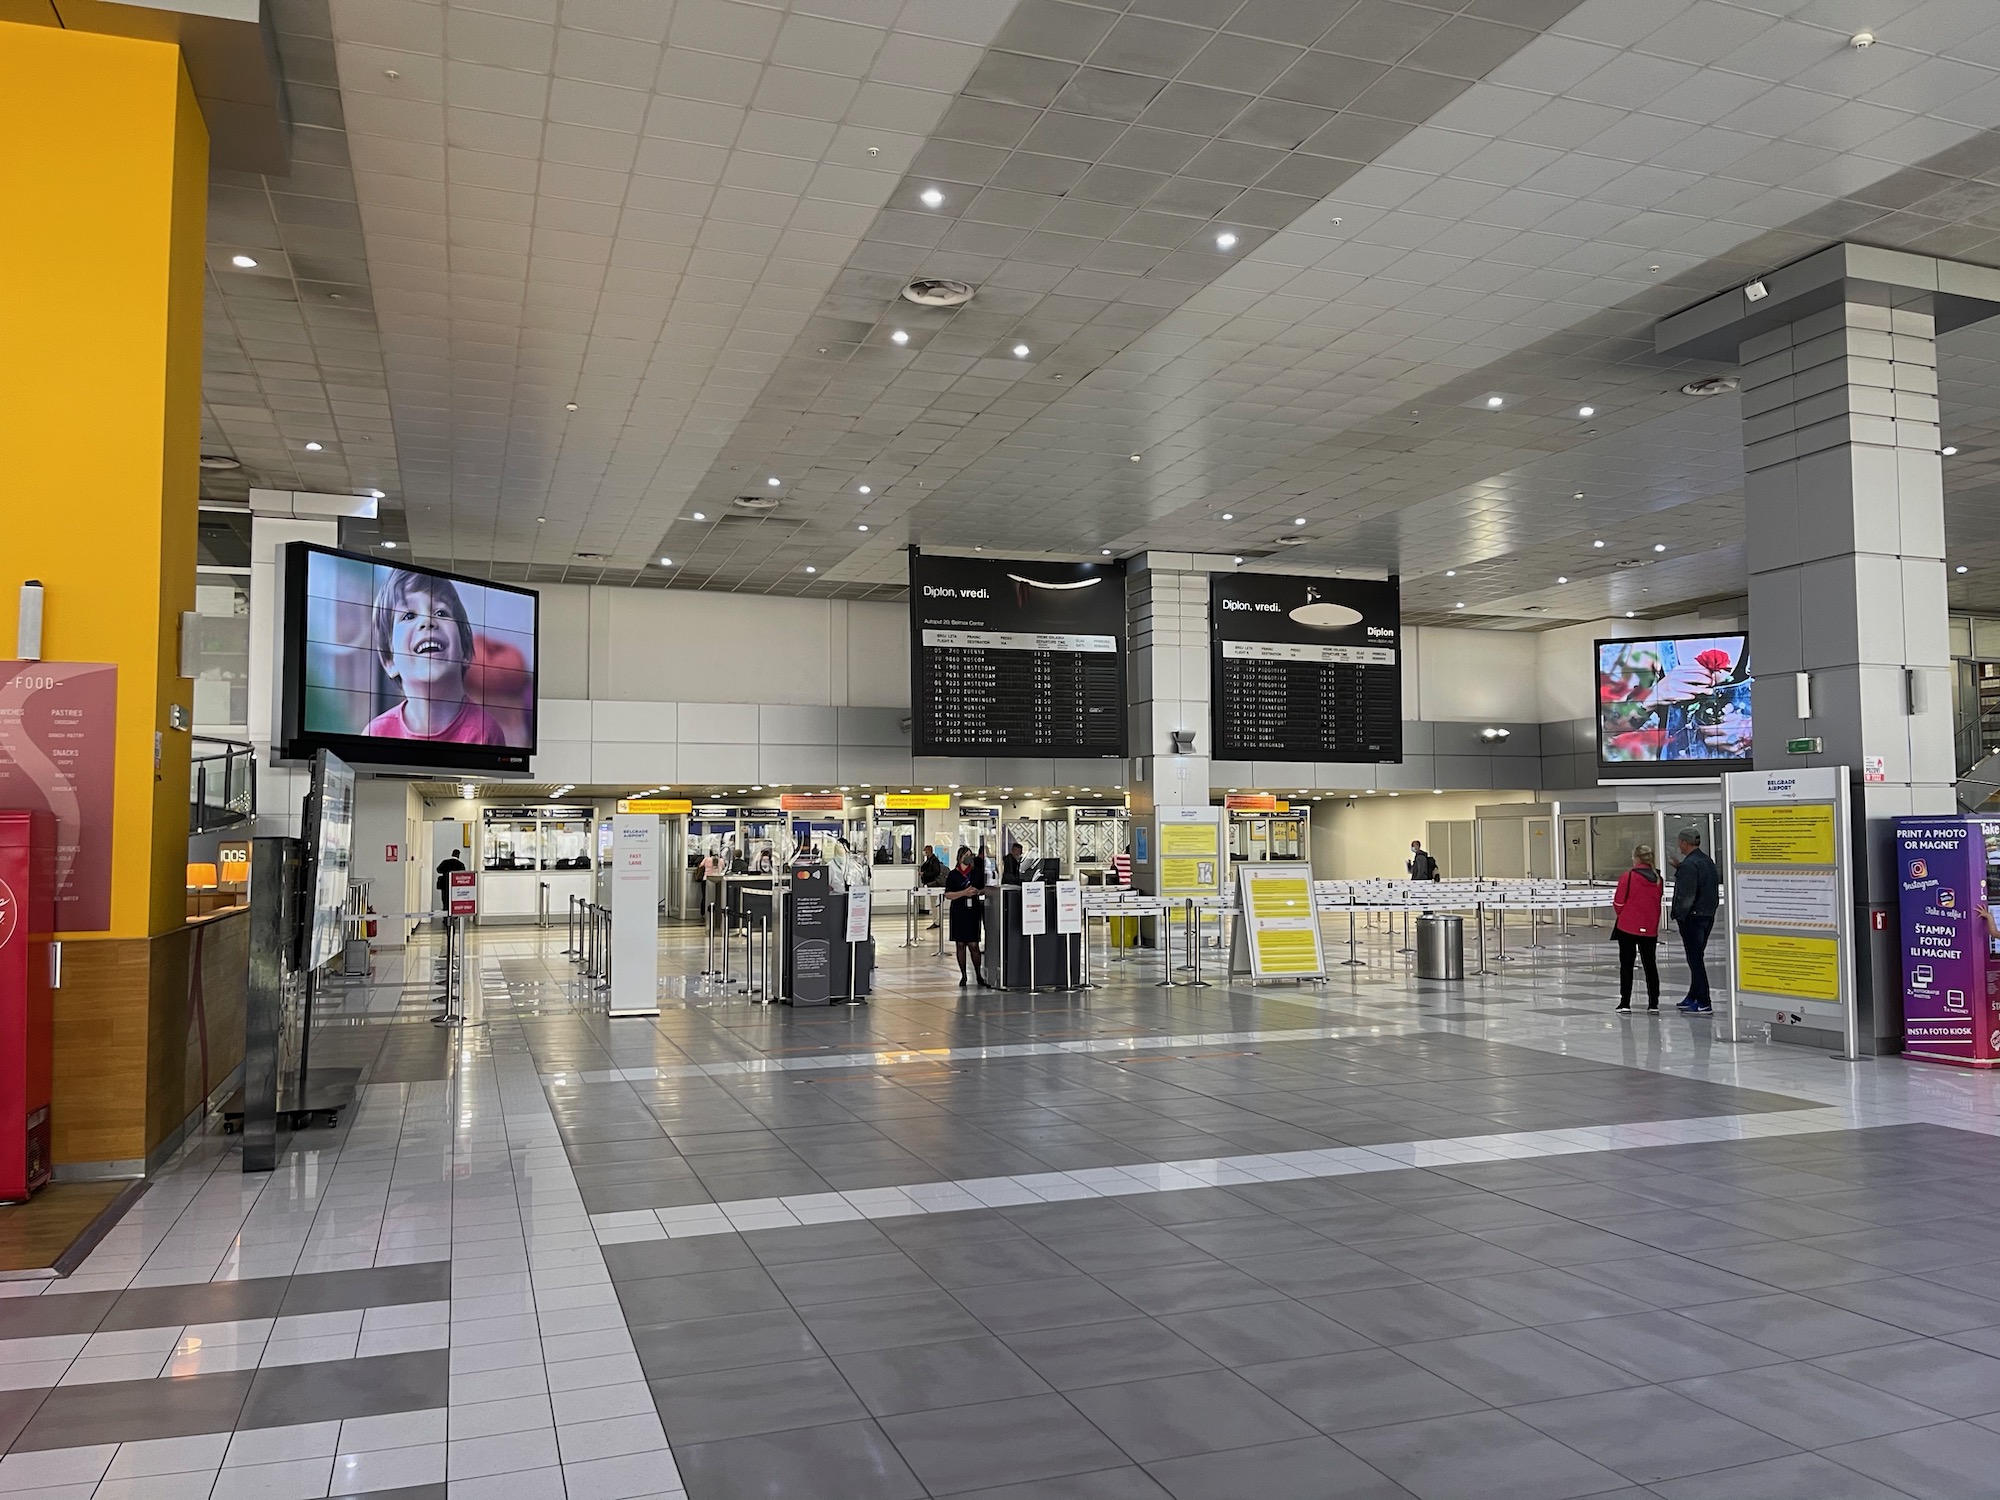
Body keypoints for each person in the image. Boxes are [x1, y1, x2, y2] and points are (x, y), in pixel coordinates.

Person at [364, 569, 504, 745]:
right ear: (390, 662)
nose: (427, 621)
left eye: (441, 613)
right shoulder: (376, 734)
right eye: (409, 615)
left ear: (466, 652)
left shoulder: (486, 733)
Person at [1672, 829, 1720, 1014]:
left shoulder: (1690, 865)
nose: (1678, 846)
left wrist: (1679, 913)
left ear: (1684, 842)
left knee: (1695, 959)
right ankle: (1692, 995)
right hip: (1707, 915)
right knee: (1696, 956)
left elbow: (1687, 894)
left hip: (1693, 917)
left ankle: (1703, 1000)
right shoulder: (1706, 861)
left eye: (1679, 842)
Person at [1612, 843, 1664, 1012]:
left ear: (1636, 858)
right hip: (1650, 927)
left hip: (1628, 925)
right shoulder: (1658, 879)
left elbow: (1619, 901)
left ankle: (1625, 1002)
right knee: (1650, 964)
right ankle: (1653, 1003)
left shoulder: (1628, 876)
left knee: (1627, 964)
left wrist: (1623, 913)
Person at [942, 845, 990, 987]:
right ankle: (963, 975)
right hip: (959, 910)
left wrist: (977, 892)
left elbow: (984, 889)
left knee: (973, 944)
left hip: (973, 910)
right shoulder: (953, 874)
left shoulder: (976, 873)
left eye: (971, 855)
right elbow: (948, 894)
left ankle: (978, 974)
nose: (969, 857)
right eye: (966, 855)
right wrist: (963, 893)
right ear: (960, 857)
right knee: (960, 944)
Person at [434, 848, 465, 919]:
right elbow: (462, 874)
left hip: (445, 885)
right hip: (455, 886)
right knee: (454, 901)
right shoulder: (460, 865)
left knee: (445, 900)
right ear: (458, 856)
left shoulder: (445, 862)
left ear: (452, 854)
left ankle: (445, 917)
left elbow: (438, 870)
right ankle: (454, 916)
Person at [919, 843, 945, 929]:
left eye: (925, 850)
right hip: (930, 884)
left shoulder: (934, 860)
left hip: (934, 884)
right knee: (933, 903)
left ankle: (936, 921)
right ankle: (936, 920)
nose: (924, 852)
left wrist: (924, 874)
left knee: (934, 903)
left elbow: (936, 872)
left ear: (929, 851)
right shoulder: (929, 860)